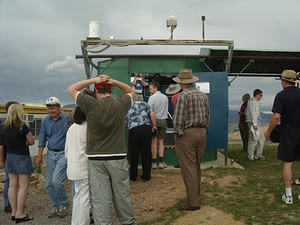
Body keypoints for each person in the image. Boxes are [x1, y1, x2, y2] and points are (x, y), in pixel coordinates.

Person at [67, 75, 136, 225]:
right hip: (118, 156)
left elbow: (71, 88)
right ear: (110, 89)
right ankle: (128, 221)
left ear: (96, 90)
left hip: (96, 158)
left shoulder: (90, 104)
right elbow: (131, 91)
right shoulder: (120, 104)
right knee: (122, 194)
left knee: (100, 198)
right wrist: (115, 81)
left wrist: (93, 80)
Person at [173, 68, 210, 211]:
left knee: (188, 168)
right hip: (201, 133)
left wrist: (178, 134)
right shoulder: (203, 96)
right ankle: (195, 195)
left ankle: (193, 202)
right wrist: (204, 130)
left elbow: (178, 119)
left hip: (187, 135)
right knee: (196, 167)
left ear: (182, 83)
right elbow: (208, 116)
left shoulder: (183, 96)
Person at [264, 70, 300, 204]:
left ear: (284, 82)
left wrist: (268, 132)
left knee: (288, 163)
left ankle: (289, 195)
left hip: (288, 133)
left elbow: (276, 116)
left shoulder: (281, 96)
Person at [35, 96, 69, 218]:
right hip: (50, 154)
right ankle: (56, 207)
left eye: (53, 107)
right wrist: (39, 157)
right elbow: (42, 138)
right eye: (49, 108)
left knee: (57, 181)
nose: (51, 110)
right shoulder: (46, 121)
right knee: (49, 184)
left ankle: (64, 204)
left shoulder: (67, 119)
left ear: (59, 107)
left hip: (63, 154)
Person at [0, 103, 34, 223]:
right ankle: (20, 213)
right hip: (22, 157)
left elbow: (2, 145)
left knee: (12, 186)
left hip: (10, 157)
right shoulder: (22, 126)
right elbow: (31, 141)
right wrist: (26, 142)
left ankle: (14, 212)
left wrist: (1, 161)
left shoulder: (4, 127)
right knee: (23, 186)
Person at [65, 106, 90, 225]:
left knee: (77, 196)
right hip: (83, 167)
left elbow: (66, 149)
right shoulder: (88, 128)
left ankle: (75, 221)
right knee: (85, 198)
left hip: (72, 167)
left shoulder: (72, 128)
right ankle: (83, 222)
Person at [125, 100, 157, 182]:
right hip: (146, 129)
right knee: (146, 152)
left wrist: (129, 124)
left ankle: (133, 176)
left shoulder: (127, 106)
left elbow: (125, 123)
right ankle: (146, 175)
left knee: (133, 153)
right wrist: (154, 125)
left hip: (134, 130)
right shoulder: (145, 103)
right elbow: (152, 114)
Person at [0, 101, 19, 214]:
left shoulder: (5, 123)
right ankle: (9, 204)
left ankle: (11, 203)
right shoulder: (5, 125)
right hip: (11, 157)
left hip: (10, 157)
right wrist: (1, 160)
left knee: (11, 181)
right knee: (11, 181)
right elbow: (1, 145)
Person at [148, 82, 169, 169]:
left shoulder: (151, 98)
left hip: (154, 121)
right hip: (163, 121)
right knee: (161, 141)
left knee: (154, 141)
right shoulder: (165, 97)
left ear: (155, 88)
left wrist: (153, 124)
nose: (149, 90)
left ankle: (153, 162)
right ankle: (161, 162)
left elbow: (150, 112)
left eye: (150, 89)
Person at [245, 89, 265, 161]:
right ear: (257, 95)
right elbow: (253, 113)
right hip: (254, 123)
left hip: (256, 123)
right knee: (253, 140)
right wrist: (255, 124)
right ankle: (251, 156)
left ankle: (258, 154)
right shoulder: (252, 102)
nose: (261, 97)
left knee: (261, 139)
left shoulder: (253, 102)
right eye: (261, 95)